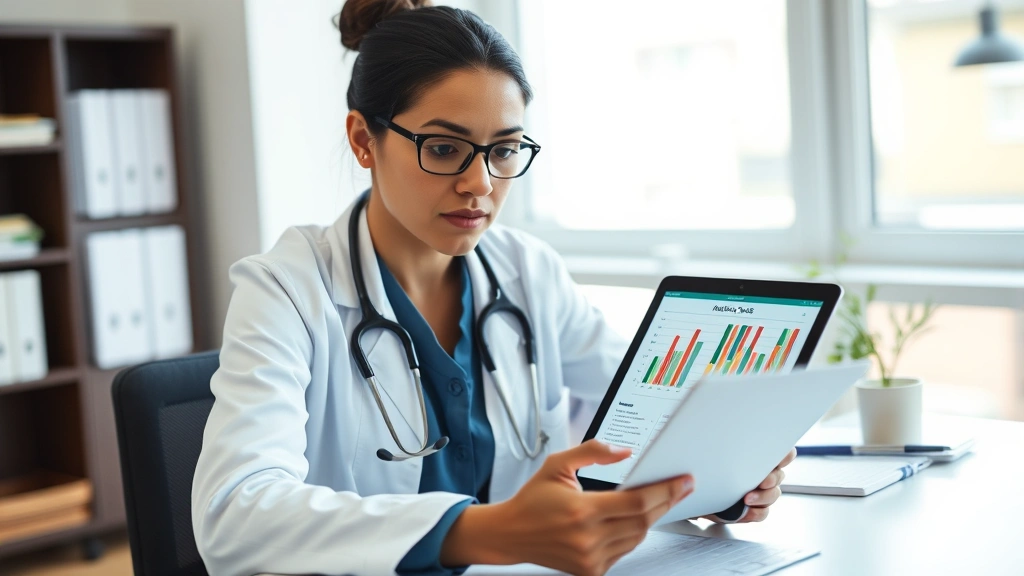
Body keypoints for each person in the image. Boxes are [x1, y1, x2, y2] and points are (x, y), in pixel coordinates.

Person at [191, 1, 795, 575]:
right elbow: (235, 511)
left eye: (503, 150)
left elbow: (643, 414)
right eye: (445, 148)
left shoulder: (526, 270)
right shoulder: (286, 291)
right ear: (362, 140)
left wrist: (715, 481)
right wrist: (492, 531)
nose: (479, 183)